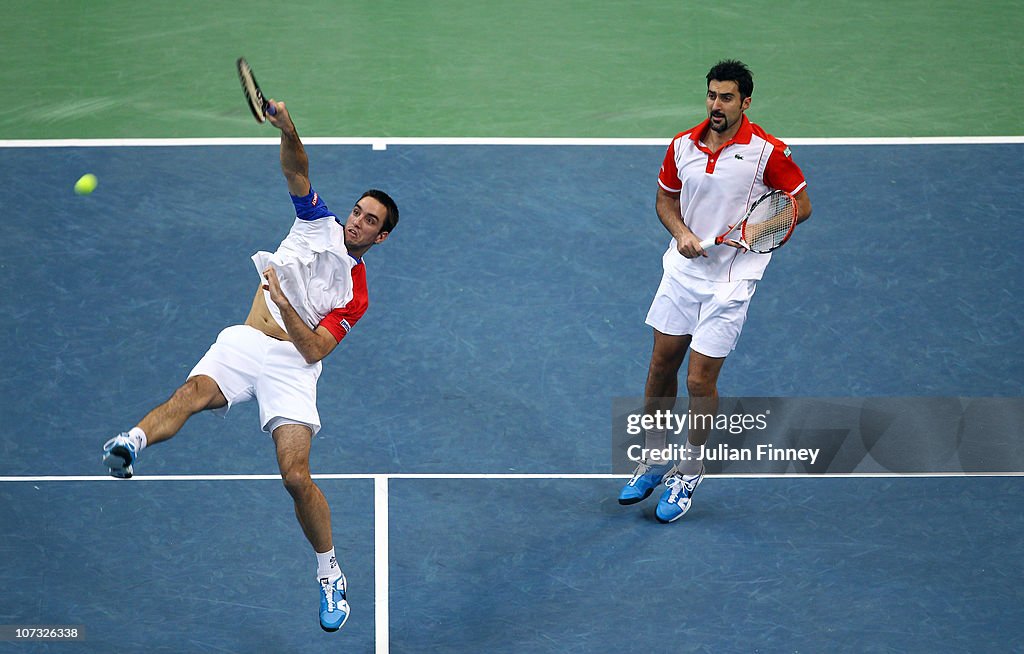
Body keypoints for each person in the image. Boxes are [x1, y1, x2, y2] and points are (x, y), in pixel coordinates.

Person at [101, 98, 399, 631]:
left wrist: (285, 304)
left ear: (381, 238)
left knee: (295, 476)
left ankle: (329, 573)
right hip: (245, 342)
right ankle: (131, 443)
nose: (356, 221)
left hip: (293, 366)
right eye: (357, 211)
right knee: (192, 392)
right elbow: (297, 168)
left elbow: (313, 351)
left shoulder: (357, 294)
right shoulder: (316, 222)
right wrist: (288, 127)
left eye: (369, 221)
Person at [617, 60, 812, 522]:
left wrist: (753, 230)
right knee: (661, 365)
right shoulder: (683, 144)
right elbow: (666, 198)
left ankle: (690, 467)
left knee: (699, 381)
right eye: (711, 95)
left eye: (726, 97)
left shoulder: (768, 153)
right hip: (682, 273)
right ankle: (653, 456)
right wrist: (682, 232)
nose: (716, 105)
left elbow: (799, 206)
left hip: (731, 281)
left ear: (745, 102)